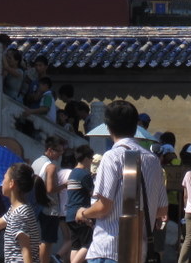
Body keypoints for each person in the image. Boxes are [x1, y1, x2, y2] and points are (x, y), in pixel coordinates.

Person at [75, 100, 168, 263]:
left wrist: (83, 213)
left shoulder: (112, 157)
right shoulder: (153, 161)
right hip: (139, 251)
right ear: (136, 126)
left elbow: (103, 207)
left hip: (109, 248)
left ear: (108, 127)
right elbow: (162, 210)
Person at [31, 136, 65, 263]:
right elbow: (50, 189)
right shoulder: (51, 167)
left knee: (40, 239)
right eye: (58, 151)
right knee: (47, 240)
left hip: (36, 205)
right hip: (50, 207)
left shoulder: (36, 162)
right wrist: (64, 185)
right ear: (50, 150)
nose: (60, 154)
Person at [65, 145, 95, 263]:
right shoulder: (84, 174)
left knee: (75, 245)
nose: (92, 161)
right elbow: (93, 193)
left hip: (69, 214)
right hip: (81, 213)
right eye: (91, 158)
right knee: (88, 244)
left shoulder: (73, 173)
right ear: (86, 158)